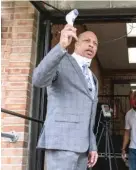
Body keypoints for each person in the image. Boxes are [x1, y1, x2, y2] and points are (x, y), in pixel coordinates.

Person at [32, 24, 99, 170]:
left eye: (95, 43)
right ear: (76, 43)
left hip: (83, 148)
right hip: (61, 142)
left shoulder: (93, 78)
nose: (91, 45)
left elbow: (90, 117)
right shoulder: (61, 60)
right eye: (87, 41)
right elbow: (38, 79)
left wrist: (92, 146)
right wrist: (61, 46)